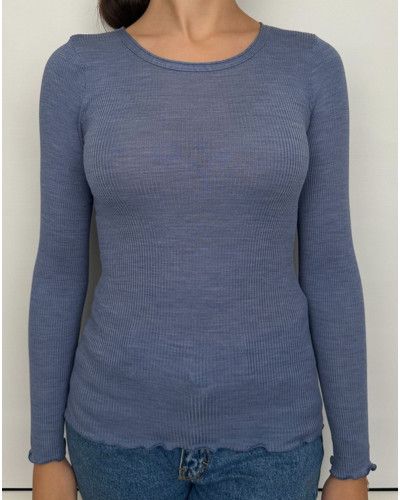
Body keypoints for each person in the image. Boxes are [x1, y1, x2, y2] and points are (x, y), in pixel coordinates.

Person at [27, 0, 377, 498]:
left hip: (273, 446)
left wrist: (352, 462)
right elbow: (59, 269)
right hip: (115, 442)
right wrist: (46, 452)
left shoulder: (310, 67)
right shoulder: (79, 71)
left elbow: (330, 268)